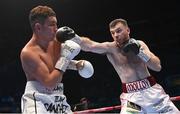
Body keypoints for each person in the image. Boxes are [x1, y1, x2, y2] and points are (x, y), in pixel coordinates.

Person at [57, 19, 180, 113]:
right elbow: (90, 45)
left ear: (128, 30)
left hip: (153, 93)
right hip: (132, 99)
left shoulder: (140, 44)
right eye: (112, 33)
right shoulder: (111, 48)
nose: (116, 35)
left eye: (119, 31)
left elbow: (157, 66)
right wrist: (74, 37)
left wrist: (140, 52)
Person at [20, 5, 93, 114]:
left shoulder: (55, 40)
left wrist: (76, 64)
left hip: (58, 98)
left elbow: (54, 64)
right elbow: (49, 83)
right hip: (38, 100)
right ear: (38, 27)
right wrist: (65, 57)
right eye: (51, 25)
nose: (56, 28)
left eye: (56, 24)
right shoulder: (28, 53)